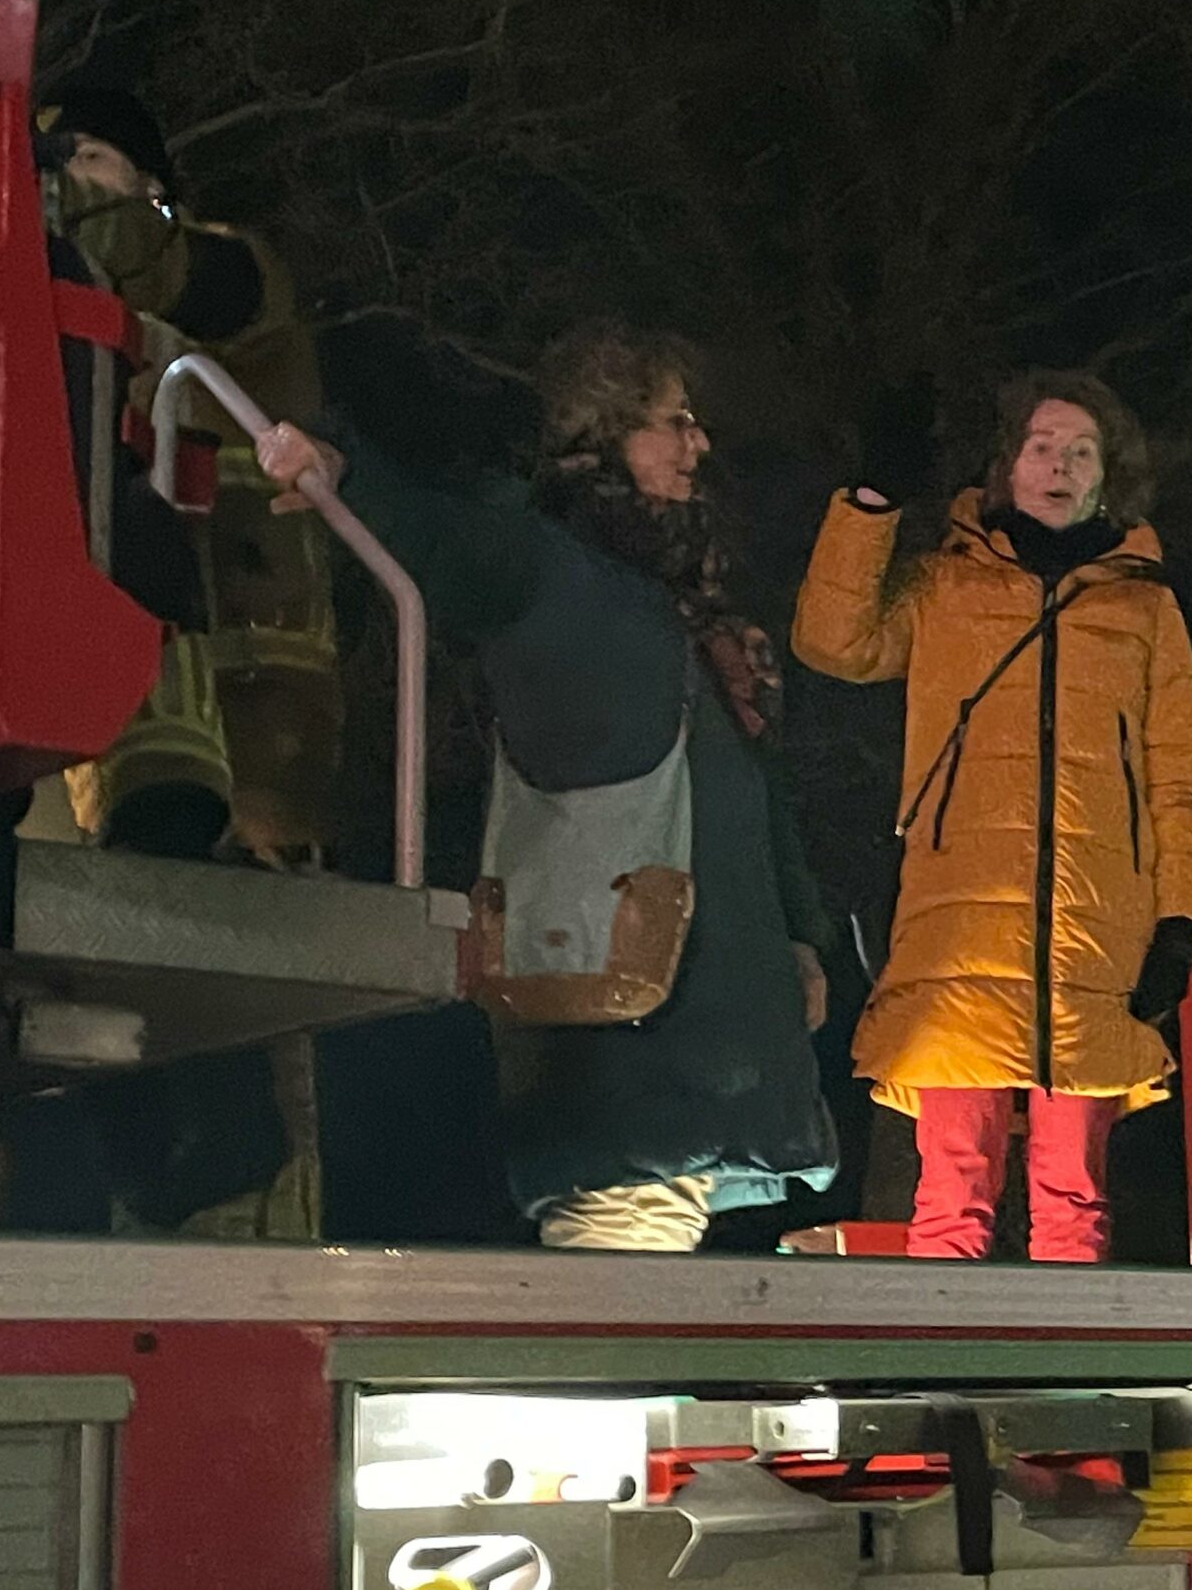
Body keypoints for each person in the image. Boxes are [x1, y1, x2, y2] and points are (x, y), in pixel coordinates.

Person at [257, 324, 837, 1249]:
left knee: (673, 1297)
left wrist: (800, 935)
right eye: (672, 421)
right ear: (600, 436)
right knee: (623, 1274)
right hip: (629, 1059)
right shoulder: (555, 573)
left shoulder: (671, 607)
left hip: (708, 1050)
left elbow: (751, 793)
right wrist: (344, 475)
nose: (699, 444)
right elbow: (455, 552)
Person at [791, 373, 1192, 1263]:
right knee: (952, 1187)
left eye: (1081, 451)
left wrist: (1180, 918)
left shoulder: (1146, 607)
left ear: (1109, 475)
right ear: (1006, 465)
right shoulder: (945, 585)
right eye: (1042, 446)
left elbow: (1178, 778)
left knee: (1077, 1197)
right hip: (959, 919)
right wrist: (871, 504)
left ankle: (1078, 1380)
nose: (1060, 466)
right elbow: (833, 638)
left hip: (1098, 925)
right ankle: (947, 1375)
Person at [38, 80, 338, 864]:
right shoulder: (44, 308)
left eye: (86, 155)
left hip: (259, 730)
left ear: (152, 188)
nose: (57, 171)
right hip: (126, 750)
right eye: (46, 158)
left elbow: (149, 258)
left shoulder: (233, 274)